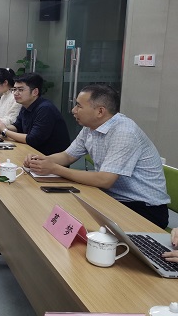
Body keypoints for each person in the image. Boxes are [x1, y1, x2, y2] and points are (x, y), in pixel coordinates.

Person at [25, 84, 169, 229]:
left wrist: (55, 169)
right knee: (58, 207)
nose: (73, 110)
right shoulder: (90, 127)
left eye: (79, 106)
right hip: (111, 197)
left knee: (74, 219)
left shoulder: (124, 132)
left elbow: (104, 180)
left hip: (143, 208)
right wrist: (40, 160)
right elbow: (67, 156)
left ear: (100, 111)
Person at [0, 72, 70, 155]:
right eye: (14, 89)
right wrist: (0, 127)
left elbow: (32, 139)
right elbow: (17, 127)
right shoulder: (25, 105)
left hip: (49, 157)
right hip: (33, 152)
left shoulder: (45, 109)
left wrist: (4, 130)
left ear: (35, 92)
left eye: (20, 90)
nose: (16, 93)